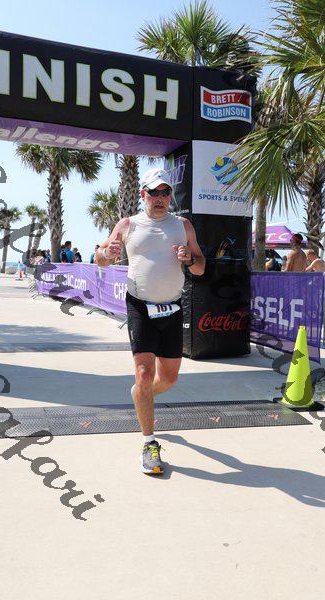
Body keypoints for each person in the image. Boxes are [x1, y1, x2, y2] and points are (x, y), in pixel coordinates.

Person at [96, 167, 206, 475]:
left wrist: (190, 259)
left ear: (170, 195)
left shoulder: (183, 225)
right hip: (140, 307)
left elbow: (200, 267)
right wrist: (108, 252)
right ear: (143, 195)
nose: (159, 198)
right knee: (144, 375)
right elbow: (101, 260)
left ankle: (140, 396)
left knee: (168, 380)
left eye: (165, 192)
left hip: (172, 308)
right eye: (153, 193)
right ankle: (149, 443)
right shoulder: (128, 224)